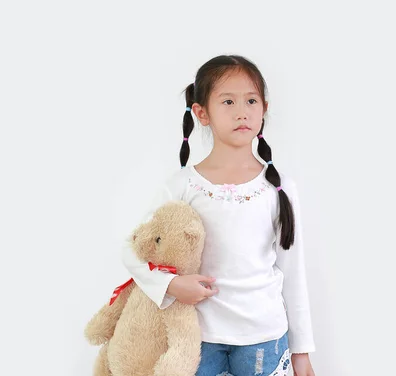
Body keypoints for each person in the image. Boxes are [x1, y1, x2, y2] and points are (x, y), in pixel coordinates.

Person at [121, 54, 316, 376]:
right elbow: (133, 250)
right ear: (201, 112)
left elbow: (293, 273)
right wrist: (170, 284)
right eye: (227, 101)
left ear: (264, 109)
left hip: (265, 338)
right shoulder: (182, 184)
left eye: (251, 100)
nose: (242, 112)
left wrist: (301, 352)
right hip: (197, 336)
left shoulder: (278, 187)